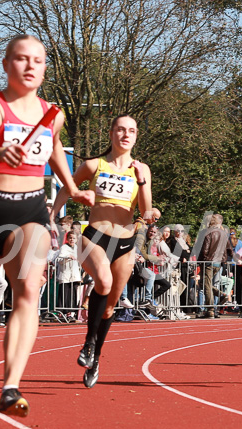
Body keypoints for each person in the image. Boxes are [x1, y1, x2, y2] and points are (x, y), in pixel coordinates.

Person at [0, 35, 94, 417]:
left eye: (38, 60)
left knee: (29, 287)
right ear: (6, 64)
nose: (30, 66)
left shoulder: (52, 113)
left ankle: (10, 386)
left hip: (30, 209)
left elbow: (55, 146)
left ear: (45, 67)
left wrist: (74, 188)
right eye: (21, 59)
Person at [51, 113, 159, 388]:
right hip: (95, 236)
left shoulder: (142, 169)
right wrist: (52, 215)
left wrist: (141, 182)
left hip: (125, 241)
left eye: (131, 131)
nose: (125, 134)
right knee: (103, 281)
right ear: (111, 133)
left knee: (110, 306)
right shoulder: (93, 165)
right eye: (120, 129)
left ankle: (95, 358)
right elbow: (68, 188)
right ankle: (88, 342)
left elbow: (146, 213)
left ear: (136, 137)